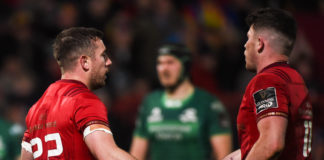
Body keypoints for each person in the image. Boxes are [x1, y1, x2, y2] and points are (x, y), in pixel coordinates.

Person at [20, 27, 136, 160]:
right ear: (85, 62)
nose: (109, 62)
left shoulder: (35, 110)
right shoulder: (84, 101)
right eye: (103, 55)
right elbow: (107, 154)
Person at [227, 8, 313, 160]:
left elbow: (271, 144)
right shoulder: (295, 79)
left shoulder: (267, 80)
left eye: (249, 38)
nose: (245, 45)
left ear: (259, 43)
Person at [130, 43, 232, 160]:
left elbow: (224, 157)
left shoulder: (209, 103)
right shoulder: (150, 102)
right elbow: (136, 155)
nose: (163, 69)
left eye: (170, 62)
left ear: (185, 65)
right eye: (160, 63)